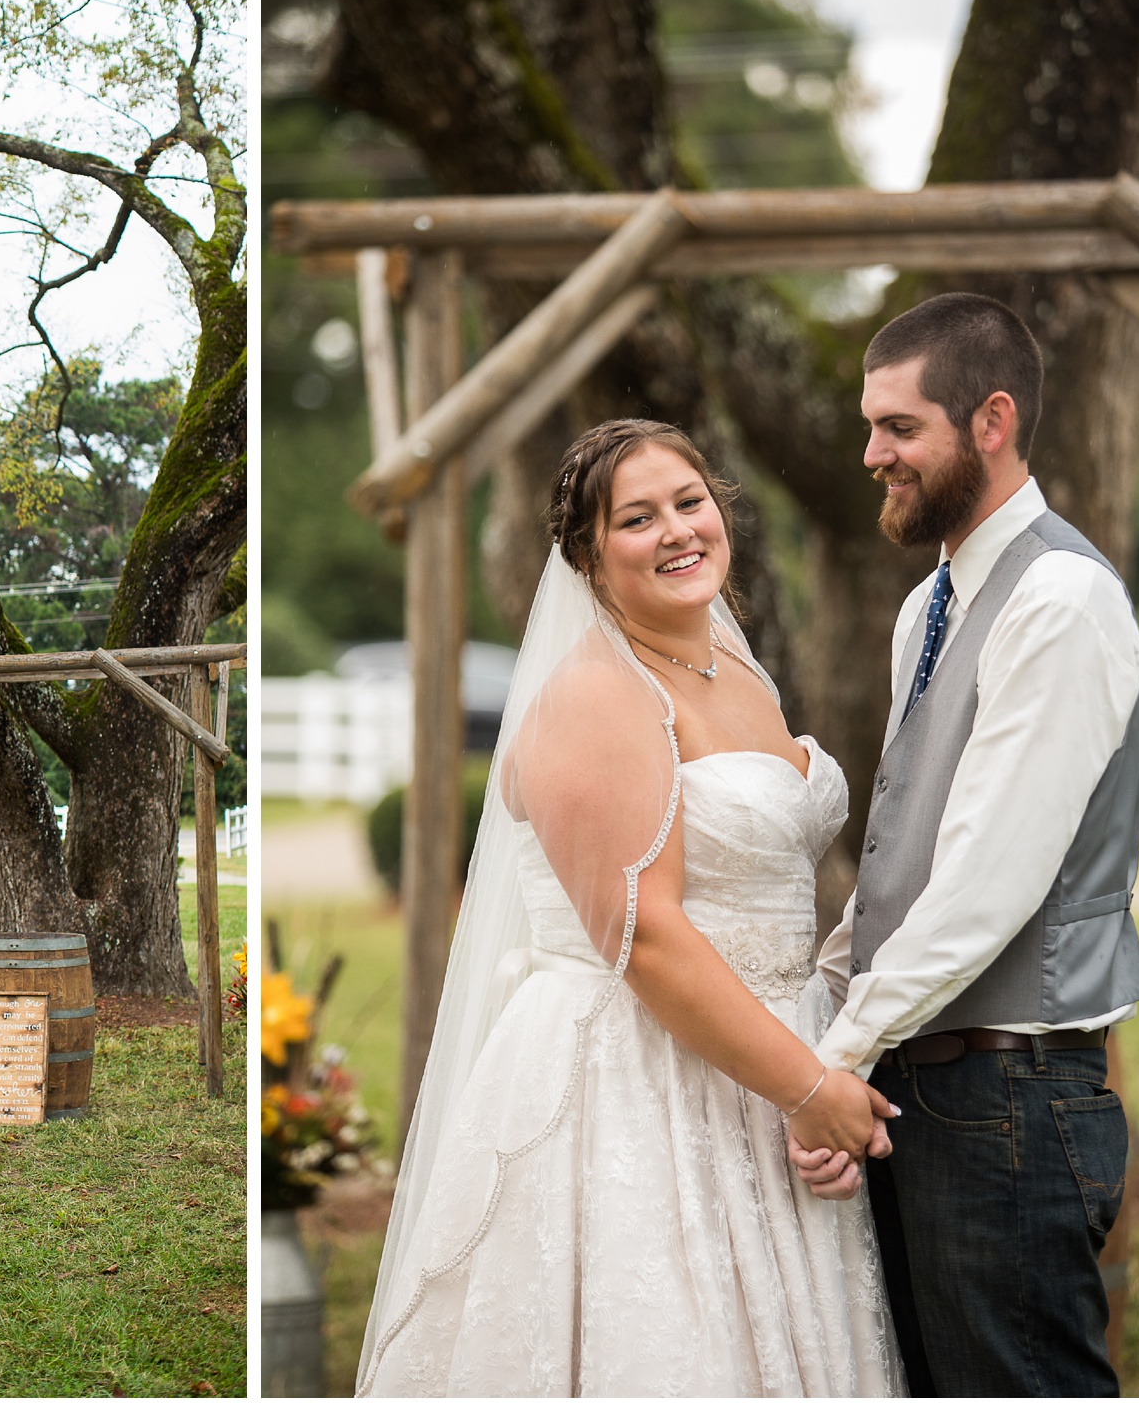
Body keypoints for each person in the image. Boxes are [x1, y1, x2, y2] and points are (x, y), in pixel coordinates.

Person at [357, 420, 904, 1397]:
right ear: (586, 557)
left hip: (768, 1057)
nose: (675, 532)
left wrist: (815, 1067)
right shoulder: (596, 697)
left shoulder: (732, 668)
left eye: (688, 503)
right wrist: (807, 1090)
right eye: (636, 519)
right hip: (639, 1084)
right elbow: (643, 938)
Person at [791, 292, 1139, 1396]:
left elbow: (988, 880)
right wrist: (815, 1015)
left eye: (899, 428)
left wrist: (832, 1060)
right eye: (868, 425)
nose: (870, 454)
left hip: (1013, 1102)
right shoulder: (929, 605)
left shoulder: (1060, 600)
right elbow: (906, 850)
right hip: (923, 1094)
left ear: (988, 421)